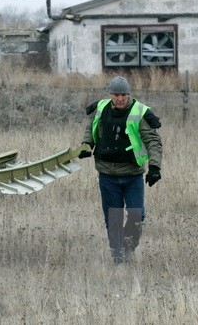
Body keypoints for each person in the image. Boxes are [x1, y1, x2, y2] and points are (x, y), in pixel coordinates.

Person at [79, 75, 162, 264]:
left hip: (132, 176)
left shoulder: (139, 112)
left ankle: (128, 249)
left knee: (136, 216)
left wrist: (155, 167)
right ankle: (118, 258)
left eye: (123, 94)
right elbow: (90, 128)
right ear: (111, 95)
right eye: (116, 94)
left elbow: (153, 141)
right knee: (113, 219)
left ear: (128, 94)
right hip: (107, 175)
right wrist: (86, 145)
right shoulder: (101, 109)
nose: (120, 98)